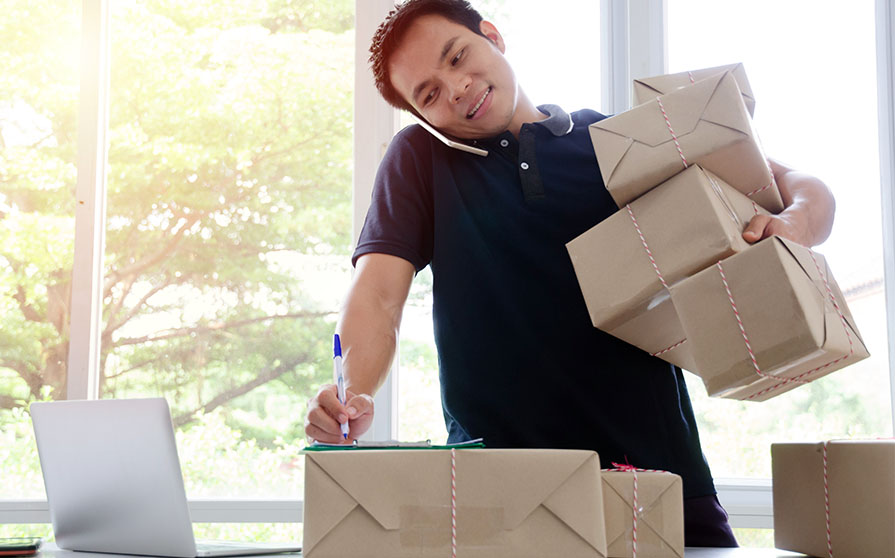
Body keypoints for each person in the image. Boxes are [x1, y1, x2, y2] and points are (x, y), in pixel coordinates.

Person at [304, 0, 835, 547]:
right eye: (429, 94)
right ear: (422, 116)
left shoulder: (615, 141)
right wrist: (353, 393)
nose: (456, 88)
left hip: (657, 478)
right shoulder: (421, 159)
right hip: (505, 497)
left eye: (458, 57)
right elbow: (379, 293)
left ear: (492, 36)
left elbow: (797, 184)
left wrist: (793, 224)